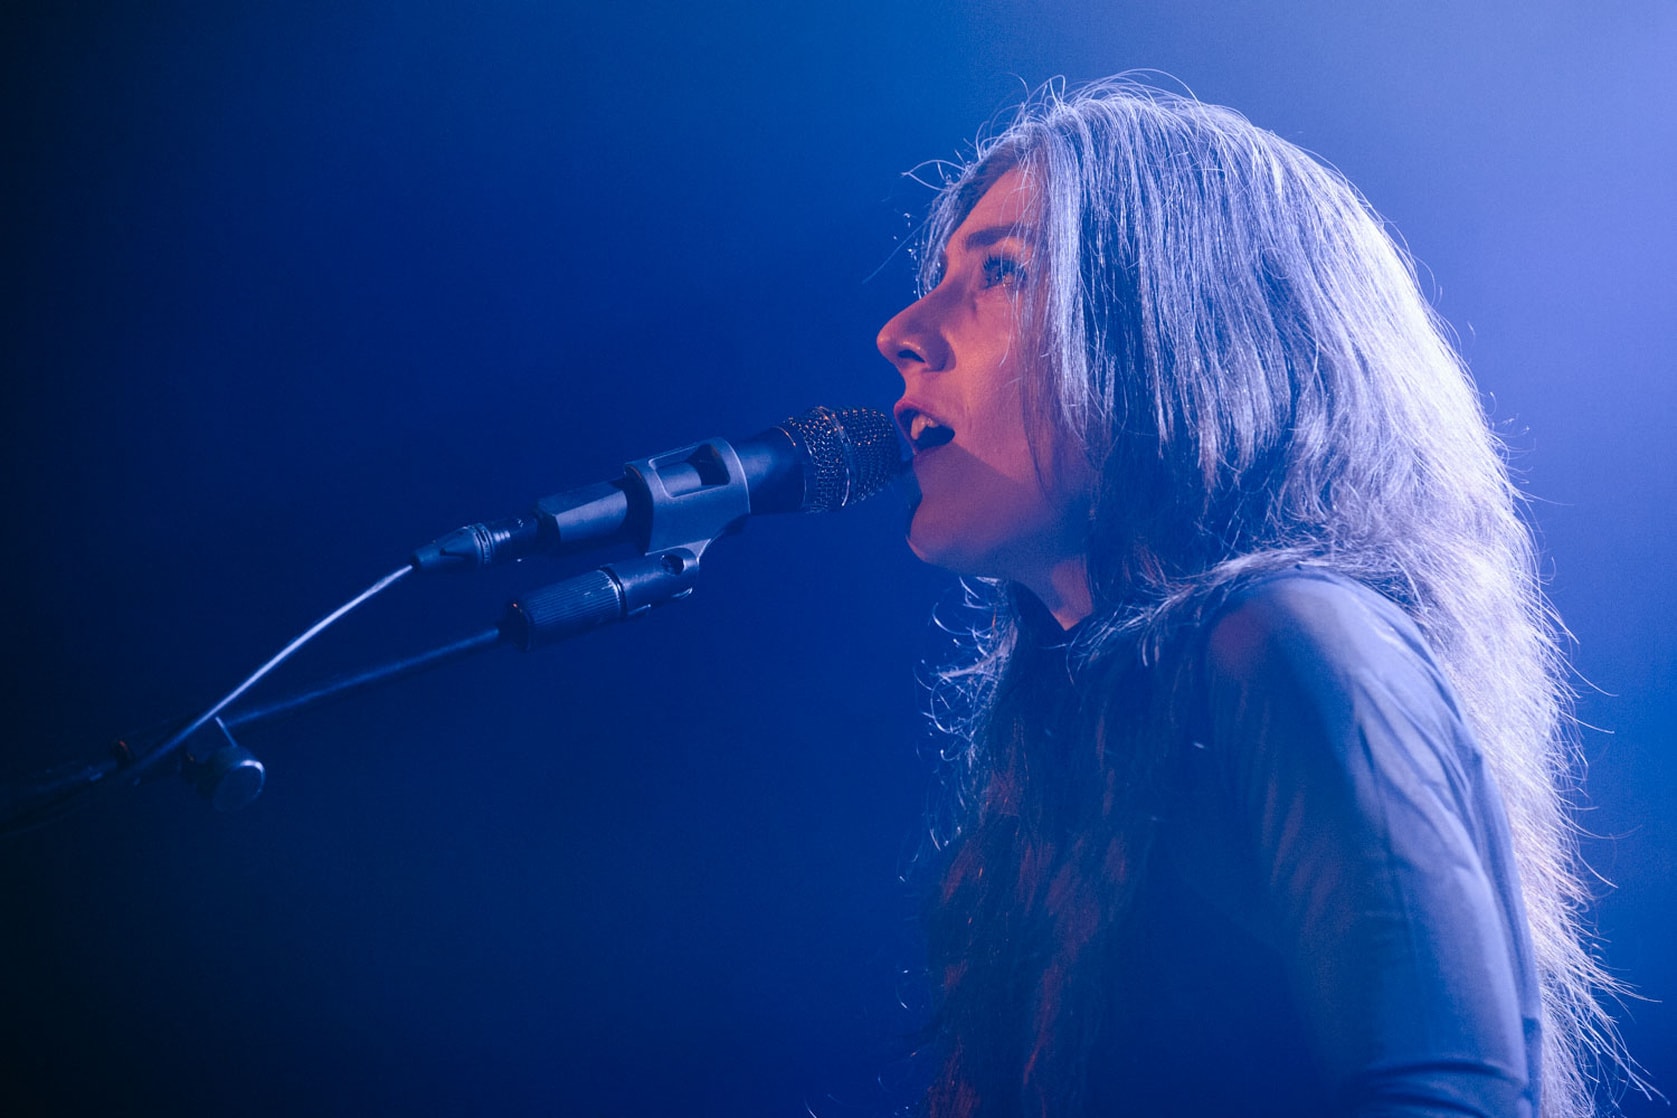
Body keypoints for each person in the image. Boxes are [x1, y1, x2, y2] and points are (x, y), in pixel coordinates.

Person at [875, 79, 1629, 1117]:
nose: (901, 331)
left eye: (1001, 270)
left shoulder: (1292, 637)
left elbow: (1444, 1097)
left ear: (1176, 328)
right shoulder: (1070, 735)